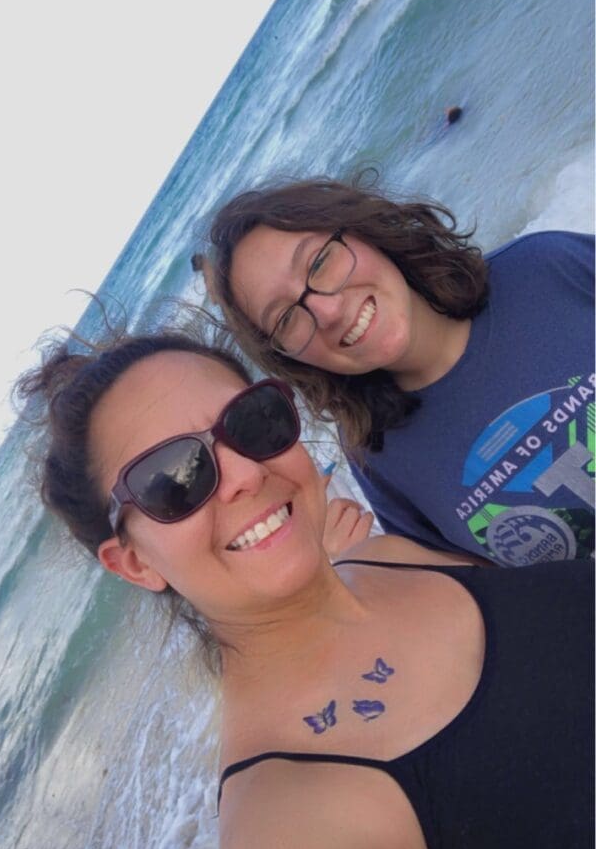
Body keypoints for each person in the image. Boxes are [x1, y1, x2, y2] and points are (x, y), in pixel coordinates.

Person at [18, 327, 593, 849]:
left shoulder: (395, 554)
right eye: (172, 478)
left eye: (251, 422)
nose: (242, 473)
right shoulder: (286, 840)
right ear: (134, 565)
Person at [207, 175, 595, 566]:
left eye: (320, 262)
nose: (327, 311)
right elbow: (482, 588)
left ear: (363, 229)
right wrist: (362, 566)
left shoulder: (546, 269)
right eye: (287, 319)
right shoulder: (375, 452)